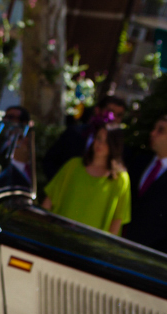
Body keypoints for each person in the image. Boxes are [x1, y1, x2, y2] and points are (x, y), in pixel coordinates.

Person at [42, 123, 131, 235]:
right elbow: (48, 202)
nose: (100, 144)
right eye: (98, 138)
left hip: (91, 247)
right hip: (58, 236)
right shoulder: (73, 165)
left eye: (106, 141)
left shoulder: (120, 178)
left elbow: (118, 219)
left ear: (114, 145)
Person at [43, 95, 127, 179]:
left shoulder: (121, 148)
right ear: (97, 110)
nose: (113, 118)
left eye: (119, 115)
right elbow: (50, 162)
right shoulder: (74, 133)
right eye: (110, 112)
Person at [121, 115, 167, 252]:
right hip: (118, 240)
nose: (152, 133)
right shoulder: (139, 161)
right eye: (154, 129)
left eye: (161, 130)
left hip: (150, 254)